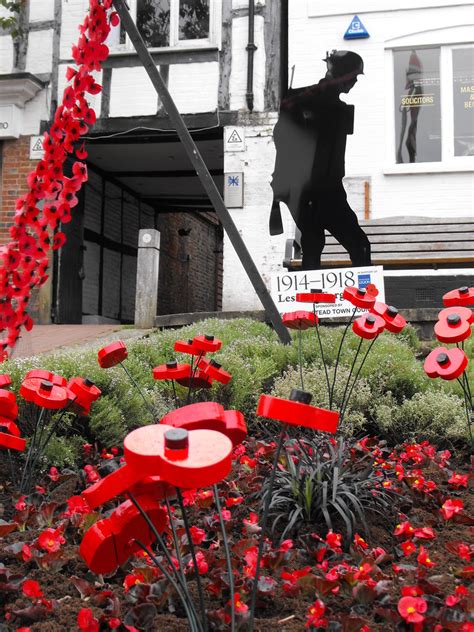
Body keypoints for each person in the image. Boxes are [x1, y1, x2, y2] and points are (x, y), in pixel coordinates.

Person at [270, 50, 372, 270]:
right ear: (344, 75)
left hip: (306, 188)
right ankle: (365, 298)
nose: (355, 82)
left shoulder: (304, 100)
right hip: (317, 189)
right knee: (358, 244)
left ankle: (311, 297)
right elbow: (284, 138)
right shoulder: (315, 103)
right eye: (353, 76)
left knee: (314, 240)